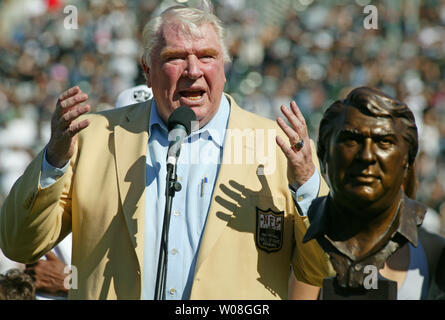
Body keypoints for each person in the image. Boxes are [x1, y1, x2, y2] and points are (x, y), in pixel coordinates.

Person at [0, 2, 332, 299]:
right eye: (174, 58)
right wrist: (53, 161)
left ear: (224, 68)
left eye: (206, 56)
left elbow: (321, 269)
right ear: (147, 70)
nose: (193, 70)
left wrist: (306, 187)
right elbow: (19, 243)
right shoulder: (93, 137)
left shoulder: (278, 146)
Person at [302, 86, 445, 299]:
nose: (367, 156)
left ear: (407, 159)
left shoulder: (434, 252)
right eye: (351, 140)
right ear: (325, 154)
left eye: (384, 142)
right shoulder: (298, 236)